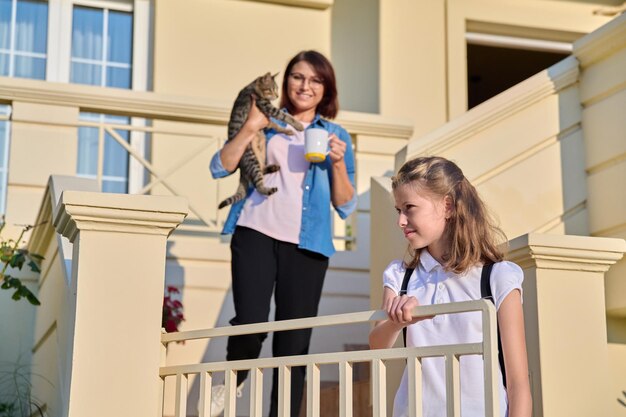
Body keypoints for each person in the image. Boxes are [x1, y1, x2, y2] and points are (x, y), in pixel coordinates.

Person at [209, 50, 356, 417]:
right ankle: (233, 379)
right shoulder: (263, 120)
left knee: (294, 342)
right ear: (286, 81)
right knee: (251, 323)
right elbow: (220, 166)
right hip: (255, 230)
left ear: (326, 89)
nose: (305, 85)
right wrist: (250, 127)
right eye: (297, 76)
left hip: (308, 246)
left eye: (316, 80)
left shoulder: (335, 135)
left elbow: (346, 204)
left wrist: (337, 165)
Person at [369, 156, 531, 417]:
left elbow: (518, 383)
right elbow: (377, 347)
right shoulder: (400, 275)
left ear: (447, 206)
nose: (400, 220)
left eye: (409, 207)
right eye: (398, 210)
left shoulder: (498, 277)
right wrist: (398, 321)